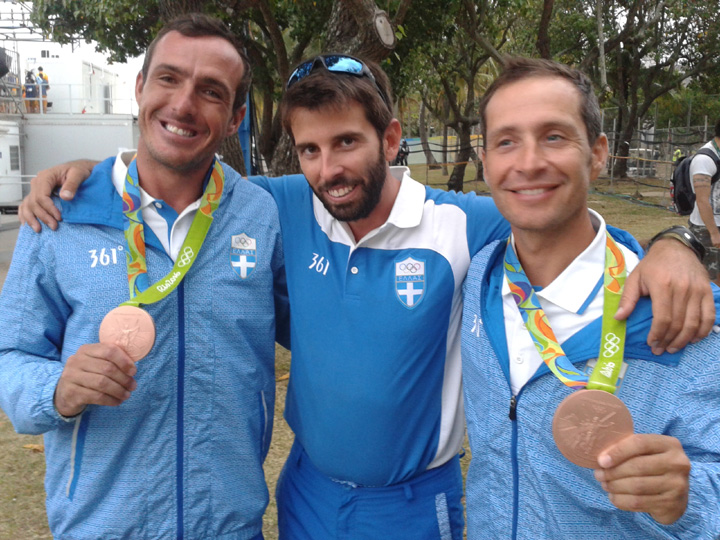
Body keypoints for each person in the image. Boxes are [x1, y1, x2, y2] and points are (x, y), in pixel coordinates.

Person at [18, 56, 715, 540]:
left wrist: (672, 246)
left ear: (390, 138)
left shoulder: (463, 223)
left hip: (415, 504)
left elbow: (555, 218)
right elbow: (179, 181)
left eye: (348, 142)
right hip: (305, 493)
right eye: (310, 150)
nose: (331, 168)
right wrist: (90, 174)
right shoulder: (275, 205)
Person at [0, 14, 288, 540]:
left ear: (235, 118)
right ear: (139, 88)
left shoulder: (259, 214)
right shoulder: (62, 213)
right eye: (168, 78)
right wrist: (56, 388)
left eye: (211, 91)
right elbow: (10, 354)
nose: (183, 104)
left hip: (229, 525)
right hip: (100, 528)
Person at [461, 57, 720, 539]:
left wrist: (690, 498)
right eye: (506, 141)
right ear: (486, 161)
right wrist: (676, 240)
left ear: (597, 154)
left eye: (554, 136)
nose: (528, 162)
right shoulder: (477, 276)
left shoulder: (688, 316)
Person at [687, 120, 720, 285]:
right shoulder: (705, 159)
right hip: (707, 229)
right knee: (708, 280)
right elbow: (702, 201)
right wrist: (714, 233)